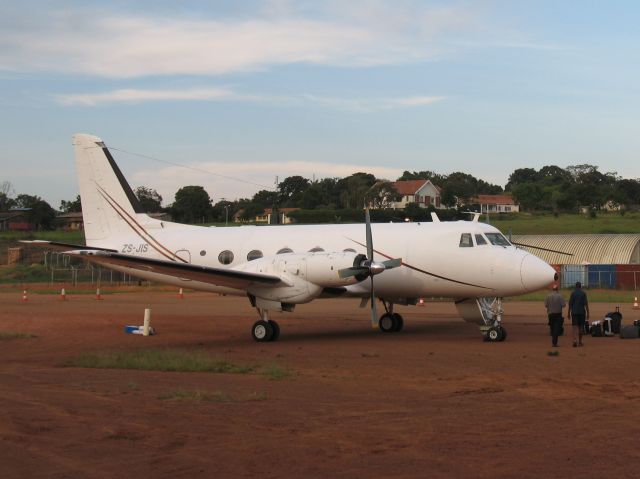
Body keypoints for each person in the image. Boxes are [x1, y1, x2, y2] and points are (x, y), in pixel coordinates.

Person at [568, 281, 589, 347]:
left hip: (574, 312)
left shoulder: (573, 293)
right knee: (581, 327)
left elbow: (570, 304)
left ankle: (574, 340)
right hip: (582, 312)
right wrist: (588, 313)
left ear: (575, 286)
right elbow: (586, 304)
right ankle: (580, 342)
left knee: (574, 327)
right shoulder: (583, 293)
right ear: (580, 286)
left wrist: (568, 312)